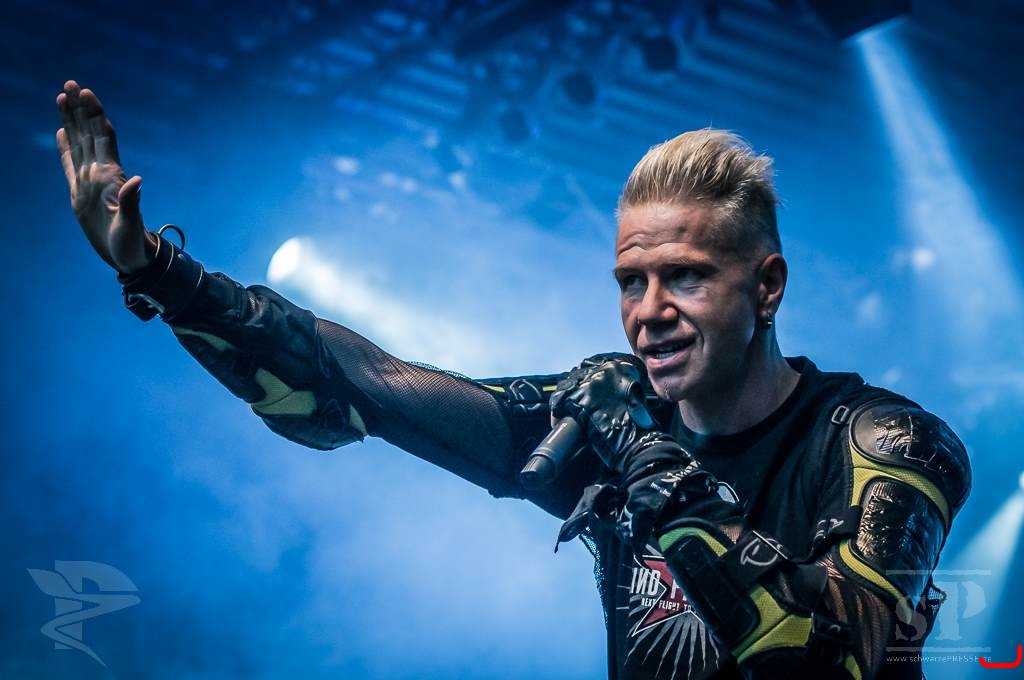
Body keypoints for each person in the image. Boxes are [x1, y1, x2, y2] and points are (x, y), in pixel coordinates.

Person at [57, 79, 971, 679]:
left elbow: (825, 663)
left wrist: (648, 462)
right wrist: (158, 274)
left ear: (766, 286)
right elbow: (364, 385)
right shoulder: (610, 414)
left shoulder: (886, 445)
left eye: (687, 277)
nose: (649, 311)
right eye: (631, 282)